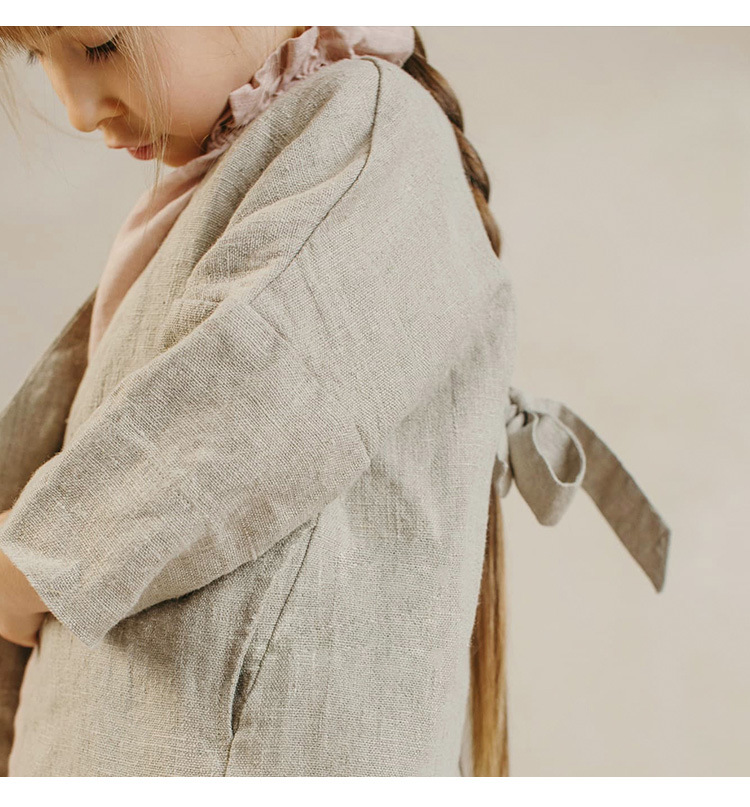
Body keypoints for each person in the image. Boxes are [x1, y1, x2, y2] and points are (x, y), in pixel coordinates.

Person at [0, 26, 671, 777]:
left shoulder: (371, 132)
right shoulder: (236, 179)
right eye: (36, 57)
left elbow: (259, 390)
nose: (76, 110)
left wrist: (37, 562)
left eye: (99, 46)